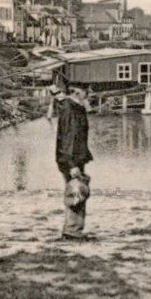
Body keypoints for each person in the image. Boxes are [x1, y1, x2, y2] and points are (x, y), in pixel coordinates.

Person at [55, 85, 93, 239]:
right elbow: (68, 138)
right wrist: (72, 165)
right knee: (76, 193)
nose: (89, 94)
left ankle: (72, 230)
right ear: (77, 92)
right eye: (87, 91)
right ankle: (72, 231)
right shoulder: (71, 109)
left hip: (73, 157)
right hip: (71, 159)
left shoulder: (73, 107)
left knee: (77, 192)